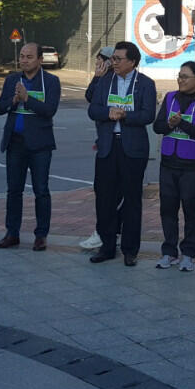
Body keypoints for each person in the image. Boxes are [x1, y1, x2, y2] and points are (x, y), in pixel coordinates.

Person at [86, 41, 156, 265]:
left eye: (118, 59)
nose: (113, 63)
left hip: (133, 149)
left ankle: (130, 250)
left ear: (132, 62)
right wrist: (109, 113)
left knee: (132, 199)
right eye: (112, 59)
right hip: (108, 146)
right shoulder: (105, 81)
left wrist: (125, 115)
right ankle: (107, 246)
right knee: (104, 198)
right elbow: (93, 109)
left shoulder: (145, 84)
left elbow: (148, 115)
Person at [0, 42, 61, 251]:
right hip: (15, 142)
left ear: (40, 59)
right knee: (14, 190)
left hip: (40, 144)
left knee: (41, 190)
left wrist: (27, 98)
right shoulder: (12, 79)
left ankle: (41, 235)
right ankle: (12, 233)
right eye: (22, 56)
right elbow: (0, 108)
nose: (24, 60)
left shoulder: (51, 81)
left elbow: (49, 110)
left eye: (29, 57)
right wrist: (14, 100)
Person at [152, 61, 195, 272]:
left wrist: (180, 123)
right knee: (167, 209)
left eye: (185, 76)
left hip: (190, 164)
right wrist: (169, 124)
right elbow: (157, 126)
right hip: (168, 162)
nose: (180, 80)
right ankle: (169, 252)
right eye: (179, 75)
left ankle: (188, 253)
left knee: (190, 209)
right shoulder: (170, 97)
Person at [79, 48, 114, 252]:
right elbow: (91, 100)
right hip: (104, 142)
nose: (97, 64)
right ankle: (103, 232)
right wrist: (96, 77)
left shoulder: (116, 81)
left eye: (101, 60)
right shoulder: (101, 79)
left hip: (120, 145)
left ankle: (107, 232)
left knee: (115, 194)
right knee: (102, 191)